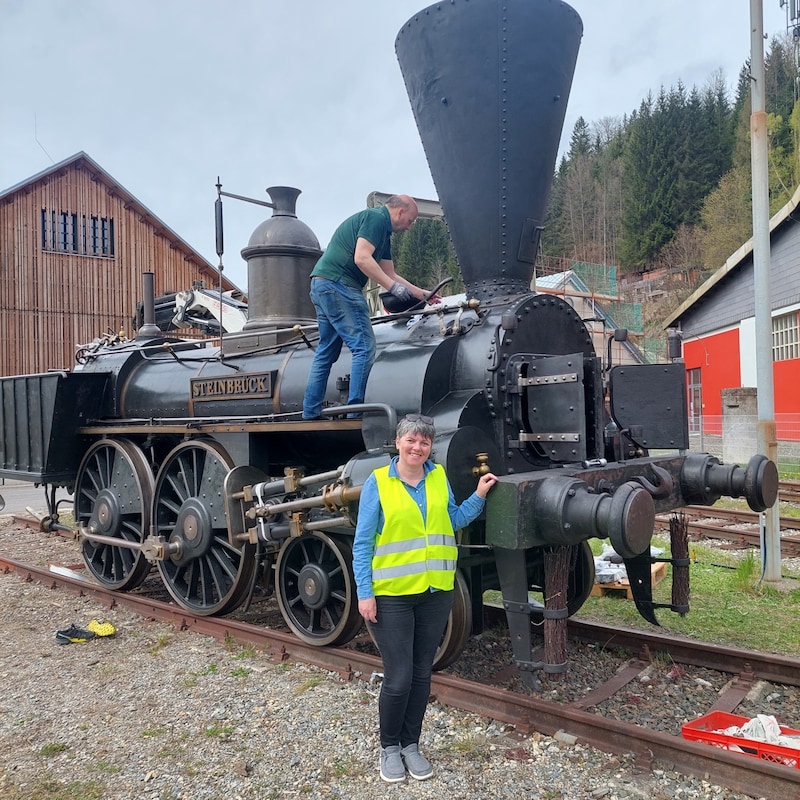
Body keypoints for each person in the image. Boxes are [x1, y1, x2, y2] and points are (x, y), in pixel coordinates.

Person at [352, 414, 498, 783]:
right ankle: (389, 748)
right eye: (411, 441)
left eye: (424, 442)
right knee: (398, 678)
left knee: (421, 675)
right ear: (398, 443)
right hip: (393, 596)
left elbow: (452, 520)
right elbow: (363, 543)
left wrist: (478, 495)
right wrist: (364, 593)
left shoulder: (436, 477)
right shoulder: (379, 483)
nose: (417, 448)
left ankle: (411, 745)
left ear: (430, 447)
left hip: (436, 591)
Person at [301, 195, 438, 420]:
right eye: (411, 220)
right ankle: (356, 413)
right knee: (364, 347)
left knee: (326, 350)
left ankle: (310, 411)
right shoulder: (376, 219)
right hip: (340, 284)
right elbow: (362, 258)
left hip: (321, 283)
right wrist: (392, 287)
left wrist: (421, 293)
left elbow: (390, 273)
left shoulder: (384, 234)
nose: (410, 227)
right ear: (400, 212)